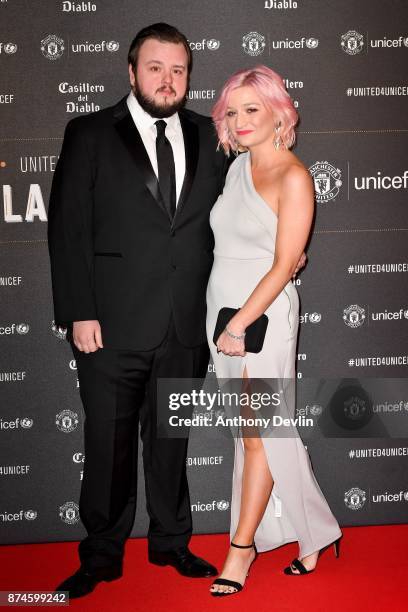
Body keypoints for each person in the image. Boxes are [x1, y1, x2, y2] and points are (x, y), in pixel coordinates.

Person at [47, 22, 230, 599]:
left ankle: (172, 542)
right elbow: (68, 230)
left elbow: (240, 214)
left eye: (178, 69)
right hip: (111, 325)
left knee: (171, 440)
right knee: (108, 444)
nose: (168, 79)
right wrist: (79, 311)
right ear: (131, 72)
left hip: (184, 325)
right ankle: (101, 554)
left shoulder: (211, 135)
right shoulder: (91, 133)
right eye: (156, 68)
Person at [206, 65, 342, 596]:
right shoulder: (236, 169)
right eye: (232, 111)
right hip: (221, 314)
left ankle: (241, 550)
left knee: (260, 434)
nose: (239, 121)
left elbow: (285, 263)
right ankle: (315, 532)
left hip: (259, 319)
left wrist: (241, 322)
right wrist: (226, 318)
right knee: (256, 434)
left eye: (251, 110)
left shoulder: (294, 176)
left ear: (278, 113)